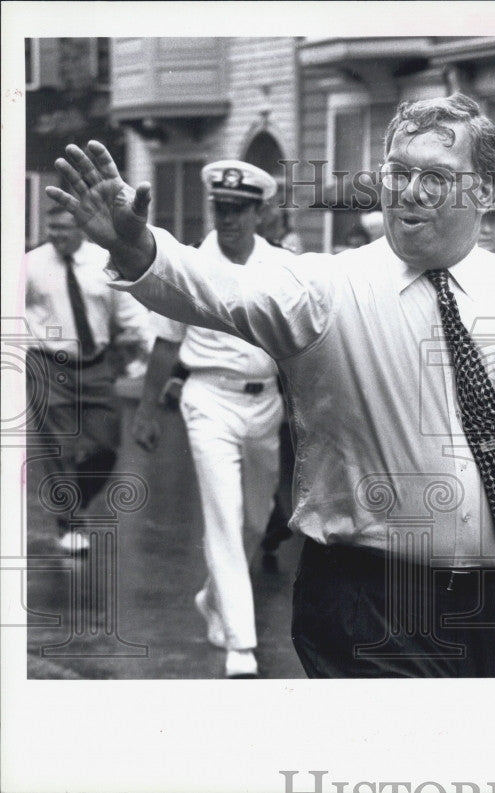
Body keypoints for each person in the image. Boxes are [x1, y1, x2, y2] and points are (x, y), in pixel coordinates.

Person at [48, 93, 495, 679]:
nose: (411, 191)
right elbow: (222, 288)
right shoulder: (328, 290)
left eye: (436, 175)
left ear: (485, 191)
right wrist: (140, 250)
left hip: (492, 607)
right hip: (367, 604)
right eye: (399, 173)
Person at [131, 160, 290, 679]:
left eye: (239, 210)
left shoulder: (281, 266)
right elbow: (166, 342)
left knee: (255, 518)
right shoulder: (191, 266)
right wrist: (149, 407)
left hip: (266, 402)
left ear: (260, 212)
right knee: (223, 513)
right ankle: (240, 645)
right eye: (221, 208)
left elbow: (299, 343)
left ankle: (214, 596)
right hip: (208, 399)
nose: (228, 219)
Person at [24, 205, 151, 553]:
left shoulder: (103, 263)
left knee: (106, 447)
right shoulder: (31, 265)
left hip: (97, 366)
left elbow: (129, 311)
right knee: (59, 448)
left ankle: (73, 501)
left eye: (64, 229)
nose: (57, 236)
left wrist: (145, 348)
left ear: (81, 228)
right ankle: (70, 523)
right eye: (52, 228)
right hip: (48, 365)